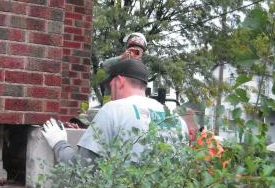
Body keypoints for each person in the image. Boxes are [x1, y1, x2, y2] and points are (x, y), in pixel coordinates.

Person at [41, 59, 188, 165]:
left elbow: (80, 168)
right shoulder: (177, 120)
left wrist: (58, 142)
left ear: (119, 81)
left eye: (110, 86)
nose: (110, 94)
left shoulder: (114, 110)